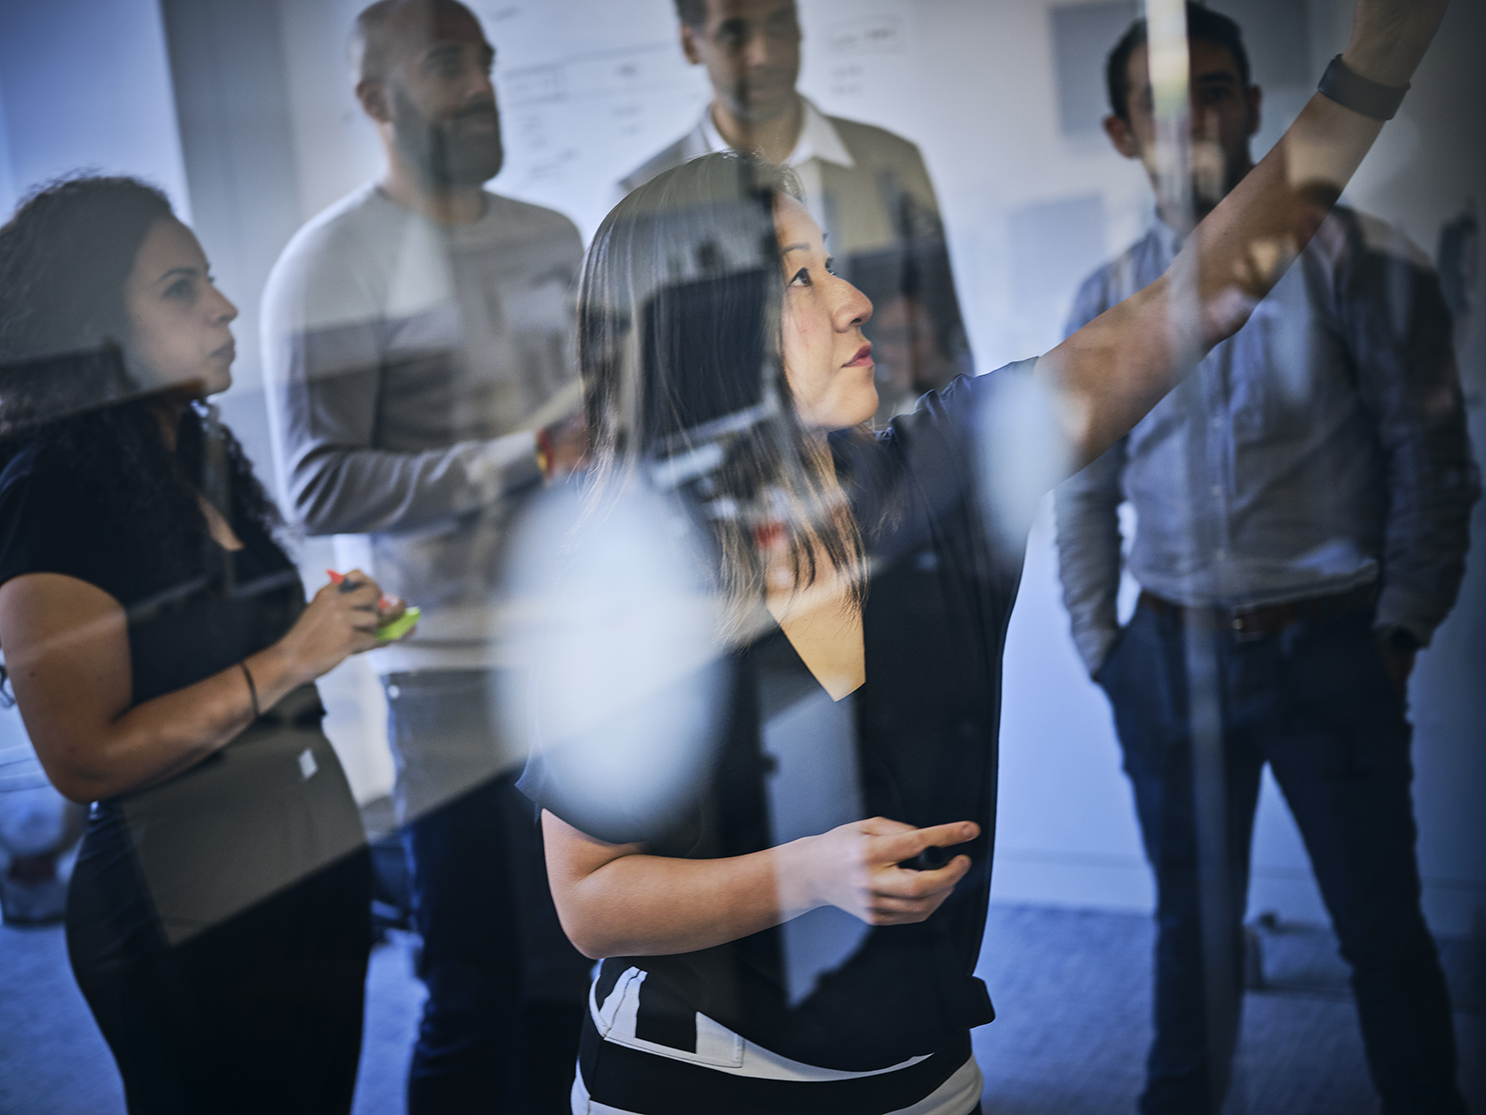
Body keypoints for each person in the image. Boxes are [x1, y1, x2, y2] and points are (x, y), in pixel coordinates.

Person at [511, 2, 1452, 1111]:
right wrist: (807, 873)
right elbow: (590, 901)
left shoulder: (942, 468)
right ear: (704, 327)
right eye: (801, 279)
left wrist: (1370, 74)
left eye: (831, 263)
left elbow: (1201, 297)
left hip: (923, 1070)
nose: (854, 297)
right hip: (690, 1075)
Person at [1053, 7, 1477, 1114]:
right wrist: (1104, 648)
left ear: (1251, 104)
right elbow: (1082, 495)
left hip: (1331, 656)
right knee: (1191, 940)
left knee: (1380, 934)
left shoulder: (1367, 262)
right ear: (1120, 130)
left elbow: (1431, 461)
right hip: (1168, 661)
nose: (1191, 117)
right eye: (1160, 101)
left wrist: (1399, 629)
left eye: (1217, 89)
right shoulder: (1102, 302)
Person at [0, 177, 409, 1112]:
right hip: (183, 901)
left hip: (306, 859)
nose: (223, 305)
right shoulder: (48, 490)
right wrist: (289, 657)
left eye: (210, 280)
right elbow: (84, 755)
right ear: (89, 323)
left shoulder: (188, 447)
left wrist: (326, 624)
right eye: (180, 288)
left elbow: (213, 646)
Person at [260, 0, 592, 1109]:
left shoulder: (553, 234)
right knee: (475, 984)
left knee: (571, 976)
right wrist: (519, 457)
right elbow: (316, 486)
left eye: (485, 61)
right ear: (374, 100)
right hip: (448, 676)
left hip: (582, 657)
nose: (482, 83)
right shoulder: (330, 262)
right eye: (449, 64)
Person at [618, 0, 972, 422]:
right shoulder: (640, 201)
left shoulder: (891, 163)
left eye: (779, 24)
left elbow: (946, 338)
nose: (763, 54)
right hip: (741, 468)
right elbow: (642, 388)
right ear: (690, 43)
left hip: (897, 443)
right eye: (734, 34)